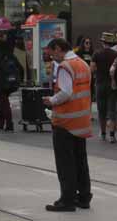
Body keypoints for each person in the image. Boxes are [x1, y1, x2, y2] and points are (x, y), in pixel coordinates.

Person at [43, 38, 92, 212]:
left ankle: (67, 199)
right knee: (80, 160)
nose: (52, 58)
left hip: (65, 121)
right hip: (81, 120)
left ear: (58, 49)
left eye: (51, 53)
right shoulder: (83, 64)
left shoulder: (65, 66)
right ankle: (84, 196)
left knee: (65, 163)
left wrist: (51, 100)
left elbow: (66, 92)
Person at [0, 39, 24, 131]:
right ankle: (0, 123)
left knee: (4, 103)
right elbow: (21, 68)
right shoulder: (11, 55)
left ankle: (9, 124)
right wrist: (20, 80)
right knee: (3, 102)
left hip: (1, 83)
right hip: (12, 83)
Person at [91, 32, 117, 143]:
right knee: (112, 110)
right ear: (112, 43)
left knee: (101, 110)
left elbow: (92, 69)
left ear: (102, 42)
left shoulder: (96, 54)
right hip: (112, 85)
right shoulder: (115, 54)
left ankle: (102, 134)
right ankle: (112, 135)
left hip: (100, 83)